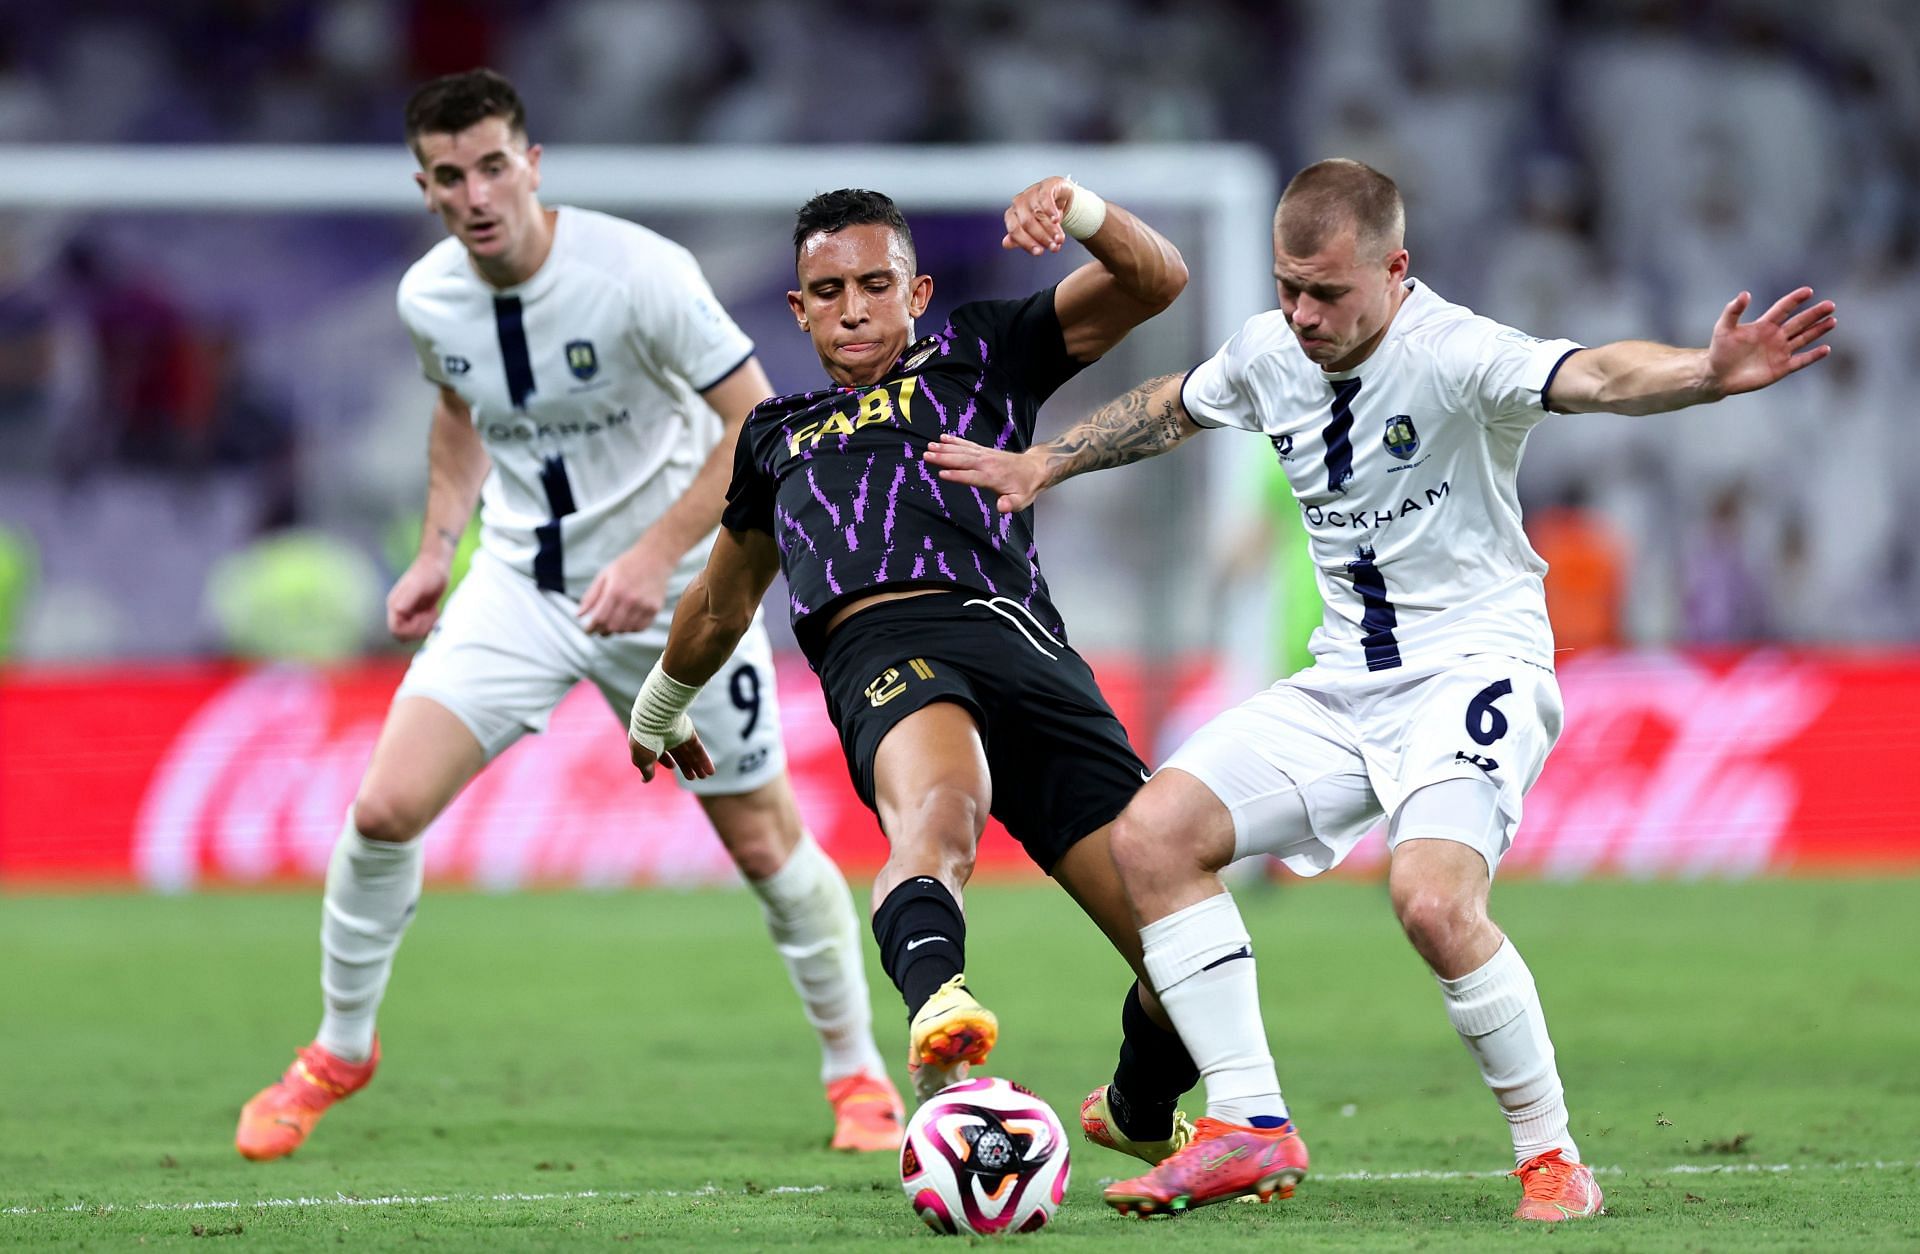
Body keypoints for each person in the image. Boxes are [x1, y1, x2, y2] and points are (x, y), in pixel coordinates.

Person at [924, 157, 1834, 1219]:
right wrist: (1044, 463)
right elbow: (1174, 404)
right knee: (1151, 837)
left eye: (1327, 292)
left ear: (1396, 270)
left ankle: (1553, 1159)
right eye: (1287, 287)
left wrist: (1707, 373)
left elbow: (1593, 375)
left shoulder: (1456, 351)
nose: (1302, 314)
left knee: (1433, 903)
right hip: (1345, 682)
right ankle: (1249, 1126)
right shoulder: (1273, 349)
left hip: (1474, 669)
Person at [235, 69, 901, 1161]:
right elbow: (459, 409)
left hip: (675, 597)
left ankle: (856, 1073)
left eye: (494, 165)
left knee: (762, 841)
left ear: (531, 165)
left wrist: (653, 555)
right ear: (428, 186)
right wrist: (435, 549)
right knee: (384, 811)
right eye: (450, 176)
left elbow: (759, 424)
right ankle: (340, 1047)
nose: (476, 191)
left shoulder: (639, 274)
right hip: (517, 586)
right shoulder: (429, 298)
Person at [626, 181, 1209, 1165]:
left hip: (1028, 647)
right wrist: (658, 707)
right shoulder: (776, 434)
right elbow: (722, 604)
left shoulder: (983, 350)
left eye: (873, 283)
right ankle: (941, 1006)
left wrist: (1078, 210)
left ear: (917, 290)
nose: (853, 306)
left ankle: (1140, 1107)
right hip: (884, 639)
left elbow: (1157, 282)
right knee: (943, 805)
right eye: (827, 289)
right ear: (798, 307)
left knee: (1191, 951)